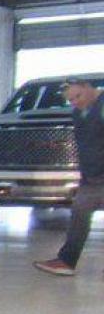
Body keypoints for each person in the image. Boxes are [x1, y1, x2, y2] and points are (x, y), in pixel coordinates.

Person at [34, 78, 104, 277]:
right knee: (79, 214)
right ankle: (67, 261)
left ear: (89, 87)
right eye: (70, 100)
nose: (75, 102)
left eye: (77, 96)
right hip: (91, 177)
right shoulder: (79, 112)